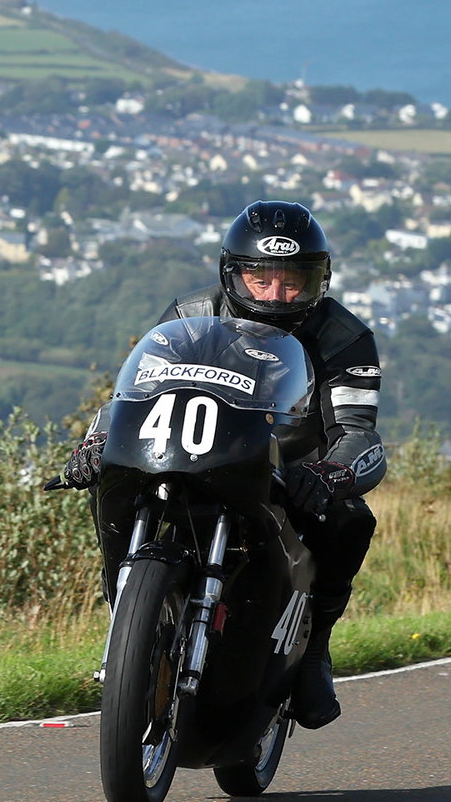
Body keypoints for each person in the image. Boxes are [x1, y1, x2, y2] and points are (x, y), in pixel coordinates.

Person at [59, 200, 386, 730]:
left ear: (318, 281)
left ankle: (314, 650)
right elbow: (132, 396)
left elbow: (357, 431)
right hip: (183, 454)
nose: (276, 294)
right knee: (111, 482)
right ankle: (124, 601)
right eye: (261, 278)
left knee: (351, 520)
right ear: (233, 273)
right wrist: (94, 444)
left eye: (293, 281)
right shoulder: (190, 315)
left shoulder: (344, 337)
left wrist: (330, 476)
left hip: (289, 472)